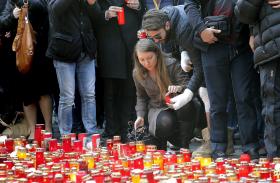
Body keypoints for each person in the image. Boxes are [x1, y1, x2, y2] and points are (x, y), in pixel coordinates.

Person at [184, 0, 261, 159]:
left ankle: (251, 146)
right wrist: (201, 29)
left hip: (242, 44)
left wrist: (254, 32)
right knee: (217, 101)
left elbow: (256, 5)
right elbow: (189, 4)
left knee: (245, 97)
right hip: (213, 44)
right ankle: (218, 148)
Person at [0, 0, 57, 139]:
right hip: (22, 53)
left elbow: (43, 9)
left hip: (41, 50)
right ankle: (32, 131)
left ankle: (48, 129)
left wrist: (24, 2)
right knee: (27, 94)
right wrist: (13, 16)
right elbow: (2, 22)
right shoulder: (10, 3)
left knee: (43, 91)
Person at [93, 0, 144, 142]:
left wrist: (139, 6)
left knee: (129, 89)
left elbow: (146, 10)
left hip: (132, 43)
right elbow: (90, 14)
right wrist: (106, 14)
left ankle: (127, 129)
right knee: (110, 91)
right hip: (109, 43)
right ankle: (112, 130)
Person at [235, 0, 280, 159]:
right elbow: (242, 13)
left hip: (270, 48)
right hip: (270, 49)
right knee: (273, 108)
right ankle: (276, 162)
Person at [47, 0, 99, 136]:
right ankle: (65, 136)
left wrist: (93, 4)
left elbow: (97, 17)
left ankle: (91, 135)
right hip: (64, 50)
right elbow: (54, 10)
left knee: (89, 95)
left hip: (86, 49)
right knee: (67, 97)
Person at [133, 39, 197, 149]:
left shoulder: (171, 63)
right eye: (142, 60)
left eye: (149, 58)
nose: (147, 63)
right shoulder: (137, 73)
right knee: (165, 122)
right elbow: (141, 97)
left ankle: (184, 145)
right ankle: (169, 141)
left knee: (187, 105)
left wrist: (179, 88)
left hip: (177, 104)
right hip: (158, 108)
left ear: (157, 54)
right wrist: (140, 116)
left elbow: (188, 86)